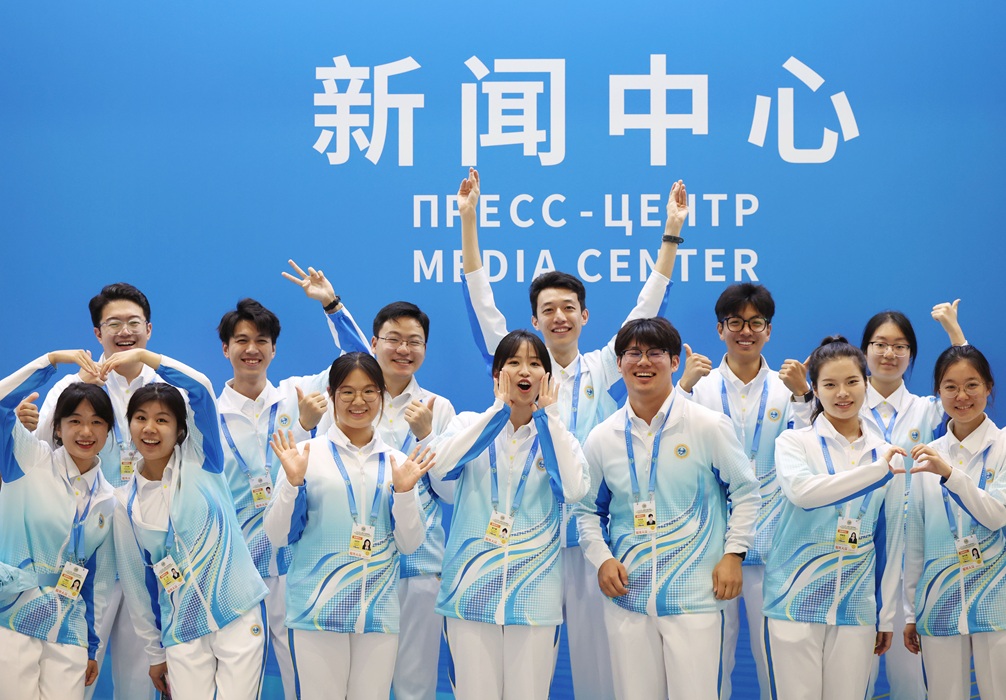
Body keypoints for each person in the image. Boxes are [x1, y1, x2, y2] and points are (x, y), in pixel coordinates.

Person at [458, 167, 687, 700]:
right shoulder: (522, 367)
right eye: (547, 311)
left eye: (568, 309)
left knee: (596, 663)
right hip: (523, 532)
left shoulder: (603, 366)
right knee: (515, 666)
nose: (558, 317)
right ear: (534, 321)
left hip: (587, 534)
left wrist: (671, 235)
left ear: (584, 316)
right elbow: (480, 300)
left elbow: (646, 310)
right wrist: (469, 222)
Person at [577, 317, 759, 699]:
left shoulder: (708, 425)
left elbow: (745, 491)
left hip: (695, 597)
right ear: (620, 362)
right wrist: (602, 559)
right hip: (628, 598)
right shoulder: (601, 437)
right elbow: (588, 512)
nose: (643, 362)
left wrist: (734, 554)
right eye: (633, 354)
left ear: (674, 362)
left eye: (655, 353)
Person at [428, 330, 589, 699]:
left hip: (534, 597)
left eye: (535, 363)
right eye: (513, 362)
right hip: (468, 593)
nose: (525, 371)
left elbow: (574, 490)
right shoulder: (468, 425)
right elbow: (441, 469)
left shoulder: (561, 437)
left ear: (547, 378)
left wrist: (549, 421)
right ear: (497, 374)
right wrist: (497, 413)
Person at [17, 283, 160, 699]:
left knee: (139, 681)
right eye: (113, 323)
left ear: (148, 329)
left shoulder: (168, 393)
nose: (125, 331)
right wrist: (26, 424)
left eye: (134, 322)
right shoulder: (71, 389)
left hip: (146, 551)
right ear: (98, 334)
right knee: (73, 675)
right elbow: (41, 450)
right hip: (81, 554)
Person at [216, 260, 349, 699]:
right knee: (236, 684)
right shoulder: (205, 416)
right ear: (225, 349)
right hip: (234, 569)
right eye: (241, 341)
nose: (251, 349)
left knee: (304, 682)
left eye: (261, 341)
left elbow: (359, 362)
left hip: (295, 565)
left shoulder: (300, 393)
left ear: (274, 350)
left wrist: (331, 305)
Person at [264, 352, 431, 700]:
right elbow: (277, 535)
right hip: (316, 609)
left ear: (382, 397)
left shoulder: (398, 463)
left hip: (378, 613)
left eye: (369, 391)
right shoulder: (305, 454)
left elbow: (411, 544)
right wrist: (292, 484)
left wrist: (403, 492)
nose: (359, 401)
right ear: (331, 395)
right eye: (347, 392)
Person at [675, 283, 813, 700]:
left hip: (775, 543)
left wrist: (805, 396)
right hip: (710, 544)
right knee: (711, 659)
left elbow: (811, 454)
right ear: (720, 329)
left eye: (755, 323)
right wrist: (681, 389)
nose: (745, 331)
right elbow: (670, 449)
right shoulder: (698, 387)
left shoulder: (789, 387)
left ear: (768, 330)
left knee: (778, 659)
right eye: (735, 322)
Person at [319, 288, 457, 700]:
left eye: (414, 342)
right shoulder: (348, 402)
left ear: (425, 349)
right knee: (354, 686)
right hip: (352, 567)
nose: (403, 349)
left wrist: (427, 435)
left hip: (418, 569)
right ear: (374, 343)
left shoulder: (438, 407)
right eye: (393, 339)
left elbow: (450, 493)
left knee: (414, 685)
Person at [110, 348, 269, 700]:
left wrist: (142, 355)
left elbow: (200, 386)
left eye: (162, 420)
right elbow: (137, 585)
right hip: (182, 628)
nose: (150, 428)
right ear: (129, 423)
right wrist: (154, 652)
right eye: (140, 418)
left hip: (238, 615)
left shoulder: (203, 460)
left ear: (181, 429)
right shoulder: (124, 501)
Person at [763, 337, 906, 700]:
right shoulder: (794, 443)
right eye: (829, 384)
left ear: (867, 384)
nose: (842, 393)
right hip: (795, 599)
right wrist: (877, 471)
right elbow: (804, 494)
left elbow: (890, 540)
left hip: (855, 605)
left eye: (852, 382)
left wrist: (886, 614)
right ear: (814, 389)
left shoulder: (885, 452)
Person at [858, 301, 966, 700]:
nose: (889, 353)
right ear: (864, 350)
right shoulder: (844, 406)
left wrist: (954, 332)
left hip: (913, 551)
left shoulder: (930, 409)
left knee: (910, 682)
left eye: (900, 346)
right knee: (853, 679)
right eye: (880, 344)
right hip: (859, 550)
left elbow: (964, 380)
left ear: (912, 355)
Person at [0, 350, 117, 700]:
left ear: (109, 431)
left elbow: (97, 579)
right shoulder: (27, 461)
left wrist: (93, 646)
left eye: (97, 422)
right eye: (75, 421)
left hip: (69, 627)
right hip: (11, 615)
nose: (86, 431)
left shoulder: (109, 499)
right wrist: (51, 361)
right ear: (57, 426)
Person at [903, 345, 1005, 698]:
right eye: (950, 387)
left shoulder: (1004, 445)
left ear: (989, 387)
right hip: (939, 597)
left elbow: (996, 515)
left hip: (998, 600)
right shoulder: (926, 456)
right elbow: (915, 539)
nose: (961, 396)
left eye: (972, 385)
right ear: (938, 393)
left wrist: (949, 473)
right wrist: (909, 610)